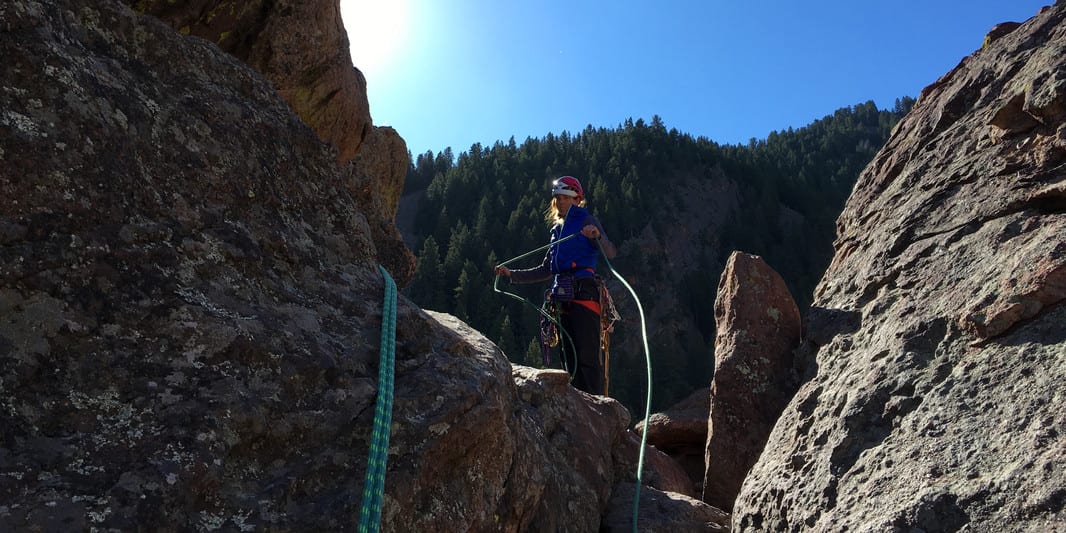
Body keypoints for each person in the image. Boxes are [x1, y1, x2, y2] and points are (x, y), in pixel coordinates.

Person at [495, 176, 617, 395]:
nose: (560, 202)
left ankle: (597, 412)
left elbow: (609, 252)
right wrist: (511, 274)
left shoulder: (587, 220)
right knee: (569, 356)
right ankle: (579, 407)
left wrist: (597, 235)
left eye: (565, 198)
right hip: (562, 296)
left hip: (584, 292)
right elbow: (546, 269)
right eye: (558, 198)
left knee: (587, 356)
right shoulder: (556, 231)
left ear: (576, 199)